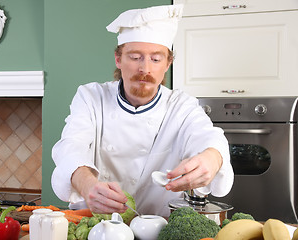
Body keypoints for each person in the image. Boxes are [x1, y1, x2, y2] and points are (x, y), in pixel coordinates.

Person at [51, 4, 234, 217]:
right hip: (93, 223)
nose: (145, 69)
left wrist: (212, 158)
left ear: (167, 64)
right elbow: (71, 147)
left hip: (158, 226)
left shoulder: (181, 106)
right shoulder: (91, 97)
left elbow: (210, 138)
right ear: (118, 59)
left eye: (155, 59)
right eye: (135, 57)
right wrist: (87, 185)